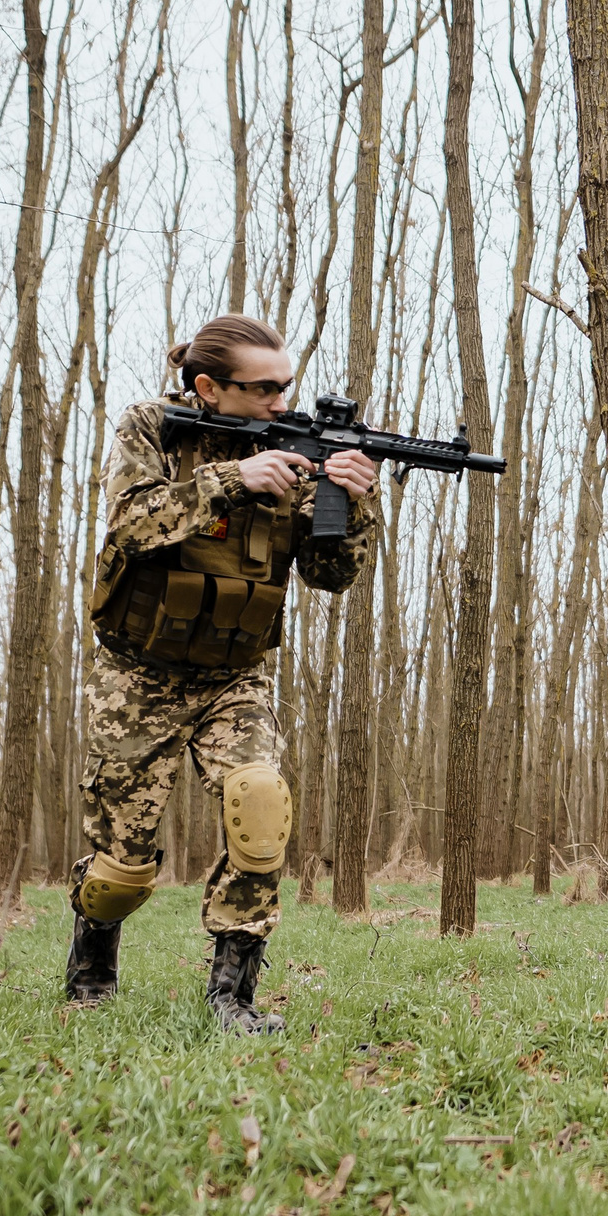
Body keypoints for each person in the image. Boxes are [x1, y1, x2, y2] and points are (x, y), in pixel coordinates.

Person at [64, 313, 379, 1033]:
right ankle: (92, 966)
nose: (281, 401)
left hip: (234, 677)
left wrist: (353, 504)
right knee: (121, 869)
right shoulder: (153, 428)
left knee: (261, 805)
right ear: (209, 387)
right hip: (137, 674)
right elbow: (130, 524)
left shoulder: (298, 450)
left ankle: (232, 997)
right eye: (263, 388)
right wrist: (233, 480)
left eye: (286, 386)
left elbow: (330, 575)